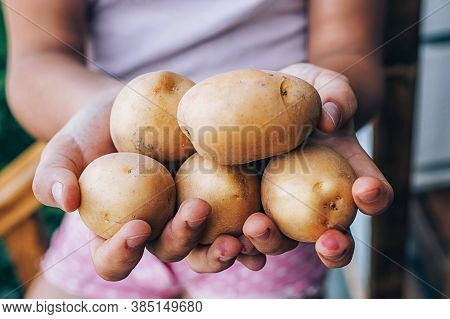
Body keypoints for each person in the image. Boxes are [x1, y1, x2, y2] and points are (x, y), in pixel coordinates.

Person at [4, 0, 393, 298]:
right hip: (113, 181)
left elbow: (349, 48)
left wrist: (335, 100)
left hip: (267, 221)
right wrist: (117, 106)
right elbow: (37, 56)